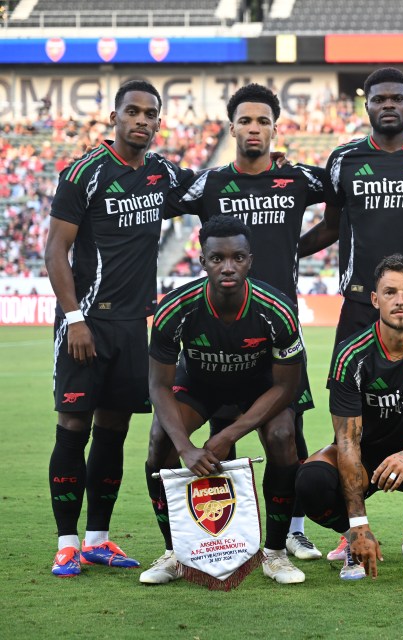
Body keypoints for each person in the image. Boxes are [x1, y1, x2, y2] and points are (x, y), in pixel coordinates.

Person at [298, 67, 403, 558]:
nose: (388, 104)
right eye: (379, 98)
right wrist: (288, 251)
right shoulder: (345, 159)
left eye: (397, 97)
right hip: (356, 304)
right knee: (350, 418)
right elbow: (331, 226)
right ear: (365, 104)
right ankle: (353, 523)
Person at [164, 82, 332, 562]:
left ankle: (292, 531)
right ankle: (228, 535)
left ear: (275, 129)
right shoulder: (212, 182)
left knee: (287, 434)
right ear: (232, 126)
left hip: (280, 329)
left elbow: (341, 197)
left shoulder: (297, 179)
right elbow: (165, 196)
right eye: (246, 120)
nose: (254, 128)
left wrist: (293, 248)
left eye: (263, 121)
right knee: (227, 436)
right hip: (222, 335)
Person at [45, 80, 192, 578]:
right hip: (88, 322)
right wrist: (74, 318)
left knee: (114, 431)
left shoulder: (162, 173)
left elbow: (208, 189)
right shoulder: (86, 172)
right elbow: (55, 251)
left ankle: (98, 540)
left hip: (134, 327)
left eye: (152, 113)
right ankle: (66, 543)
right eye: (134, 111)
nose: (143, 120)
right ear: (115, 116)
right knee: (73, 429)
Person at [139, 215, 307, 585]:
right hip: (200, 385)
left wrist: (230, 434)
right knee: (160, 439)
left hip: (258, 387)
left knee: (282, 436)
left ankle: (276, 553)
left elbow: (286, 387)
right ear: (202, 261)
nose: (228, 267)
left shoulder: (276, 309)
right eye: (217, 258)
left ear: (250, 259)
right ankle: (174, 553)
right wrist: (185, 448)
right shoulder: (175, 308)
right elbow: (158, 386)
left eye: (238, 257)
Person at [294, 255, 403, 584]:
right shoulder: (352, 354)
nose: (400, 301)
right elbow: (347, 440)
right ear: (375, 299)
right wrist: (358, 524)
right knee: (310, 482)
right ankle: (353, 541)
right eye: (390, 292)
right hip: (364, 462)